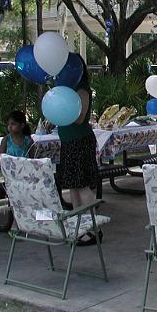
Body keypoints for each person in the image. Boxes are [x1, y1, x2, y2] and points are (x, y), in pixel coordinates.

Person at [56, 54, 102, 244]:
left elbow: (80, 117)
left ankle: (94, 228)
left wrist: (61, 111)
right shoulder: (64, 89)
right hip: (68, 141)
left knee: (82, 185)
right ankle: (79, 228)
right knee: (73, 187)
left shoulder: (82, 89)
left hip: (80, 141)